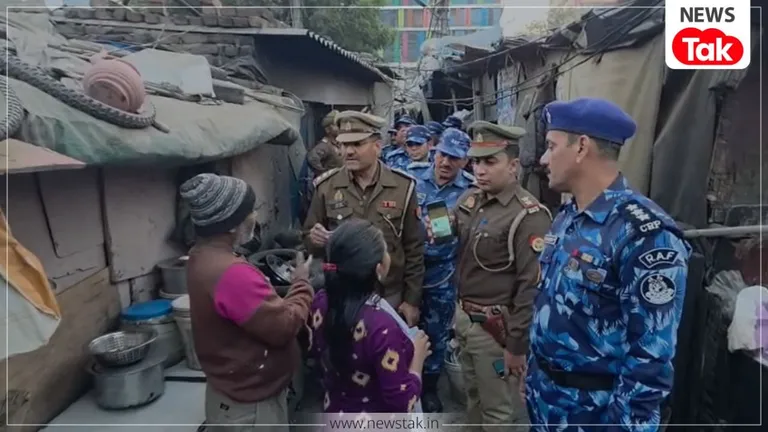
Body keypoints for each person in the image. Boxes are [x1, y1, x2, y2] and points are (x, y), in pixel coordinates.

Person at [525, 98, 691, 430]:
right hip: (547, 403)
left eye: (551, 146)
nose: (543, 159)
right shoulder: (568, 218)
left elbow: (650, 360)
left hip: (596, 415)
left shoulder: (645, 235)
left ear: (581, 147)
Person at [181, 174, 314, 431]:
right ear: (231, 224)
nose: (254, 216)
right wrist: (301, 284)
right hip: (251, 409)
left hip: (229, 391)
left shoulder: (200, 256)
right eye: (249, 211)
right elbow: (283, 327)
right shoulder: (232, 273)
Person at [453, 121, 552, 429]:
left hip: (495, 331)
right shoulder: (471, 202)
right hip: (464, 318)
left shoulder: (529, 216)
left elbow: (529, 288)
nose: (479, 170)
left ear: (513, 166)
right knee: (472, 400)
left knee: (497, 413)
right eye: (476, 161)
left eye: (489, 162)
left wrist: (516, 346)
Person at [303, 110, 425, 327]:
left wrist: (411, 300)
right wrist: (315, 240)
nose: (348, 151)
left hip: (389, 295)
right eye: (343, 145)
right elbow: (309, 240)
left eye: (357, 144)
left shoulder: (403, 187)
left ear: (377, 146)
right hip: (342, 295)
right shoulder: (326, 187)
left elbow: (414, 248)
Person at [306, 219, 432, 414]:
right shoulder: (382, 327)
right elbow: (402, 400)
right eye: (386, 250)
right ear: (379, 269)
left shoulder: (321, 301)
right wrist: (417, 359)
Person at [407, 127, 475, 413]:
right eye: (444, 155)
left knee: (435, 331)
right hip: (409, 268)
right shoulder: (411, 181)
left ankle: (429, 388)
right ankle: (401, 380)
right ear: (435, 151)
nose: (447, 163)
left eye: (455, 159)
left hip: (444, 272)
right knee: (404, 325)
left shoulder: (471, 191)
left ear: (465, 162)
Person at [307, 110, 342, 176]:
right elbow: (312, 158)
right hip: (331, 184)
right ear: (328, 129)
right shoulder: (324, 146)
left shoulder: (339, 144)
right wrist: (324, 175)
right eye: (335, 125)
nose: (339, 128)